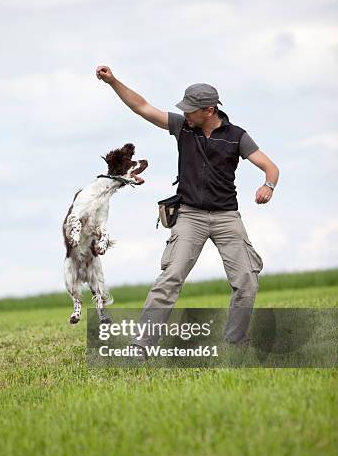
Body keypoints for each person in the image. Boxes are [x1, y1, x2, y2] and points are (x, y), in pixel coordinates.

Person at [95, 65, 279, 348]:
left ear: (209, 110)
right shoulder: (183, 127)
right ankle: (141, 346)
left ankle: (235, 341)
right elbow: (142, 107)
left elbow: (270, 167)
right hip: (190, 216)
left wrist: (268, 186)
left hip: (227, 217)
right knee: (170, 278)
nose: (186, 113)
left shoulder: (237, 136)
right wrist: (113, 82)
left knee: (247, 281)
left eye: (191, 109)